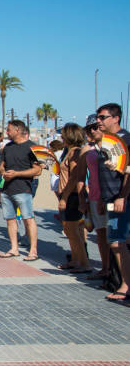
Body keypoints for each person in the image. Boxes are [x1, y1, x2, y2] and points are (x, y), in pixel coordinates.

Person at [95, 103, 130, 301]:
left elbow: (128, 173)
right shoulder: (108, 141)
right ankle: (123, 282)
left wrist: (122, 196)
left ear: (115, 118)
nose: (98, 121)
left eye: (102, 117)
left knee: (119, 242)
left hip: (121, 199)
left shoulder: (125, 140)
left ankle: (125, 285)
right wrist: (102, 198)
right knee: (118, 242)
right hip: (110, 197)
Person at [0, 120, 41, 261]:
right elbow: (1, 166)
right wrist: (3, 171)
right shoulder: (8, 147)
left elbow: (37, 170)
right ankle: (14, 248)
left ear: (17, 130)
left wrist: (17, 174)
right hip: (6, 189)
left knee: (28, 219)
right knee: (10, 219)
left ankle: (33, 250)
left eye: (9, 130)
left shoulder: (32, 148)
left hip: (23, 189)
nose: (7, 132)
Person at [77, 115, 110, 280]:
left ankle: (116, 271)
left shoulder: (114, 145)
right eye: (90, 128)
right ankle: (105, 268)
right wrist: (82, 200)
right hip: (95, 197)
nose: (93, 130)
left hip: (111, 195)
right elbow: (81, 176)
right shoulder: (87, 149)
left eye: (96, 127)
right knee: (101, 234)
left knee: (118, 236)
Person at [57, 123, 90, 272]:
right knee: (70, 230)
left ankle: (83, 263)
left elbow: (74, 177)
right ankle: (76, 260)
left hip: (72, 195)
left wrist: (64, 197)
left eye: (63, 134)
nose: (61, 137)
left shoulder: (74, 152)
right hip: (68, 194)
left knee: (73, 230)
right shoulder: (69, 151)